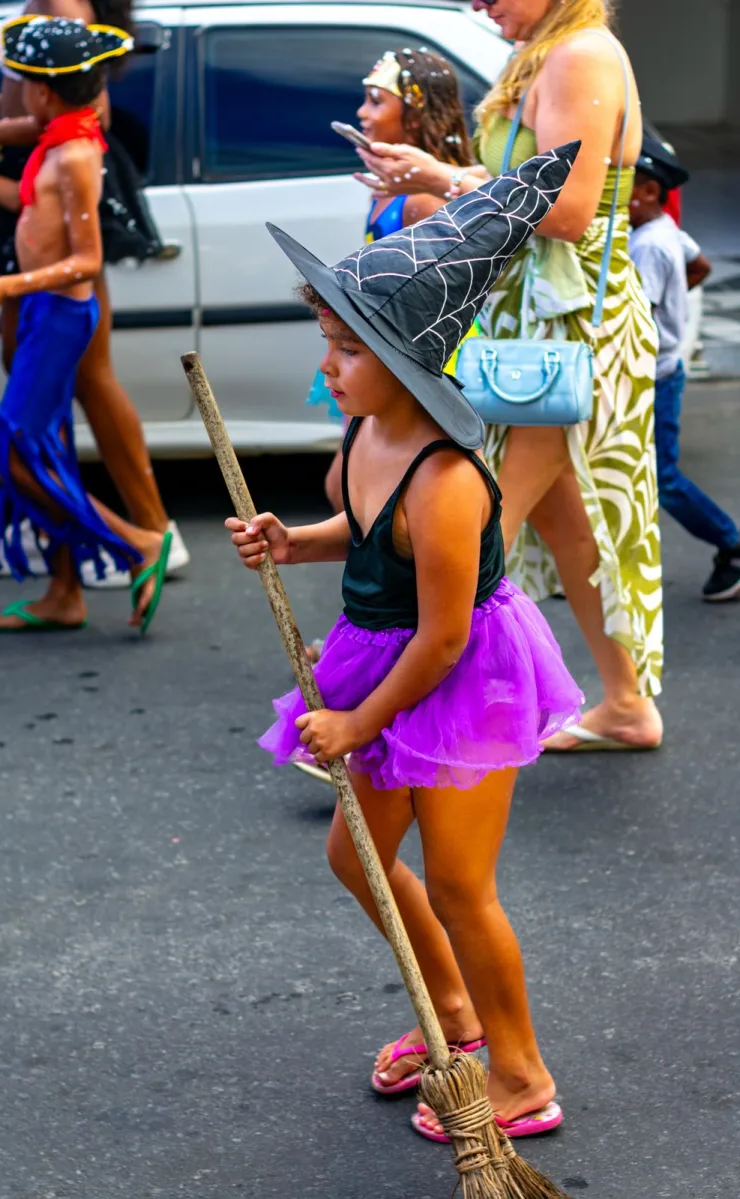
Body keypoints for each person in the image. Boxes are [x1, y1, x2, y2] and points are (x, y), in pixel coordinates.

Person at [228, 145, 583, 1139]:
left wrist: (354, 720)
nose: (324, 366)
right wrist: (292, 540)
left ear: (404, 360)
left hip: (456, 669)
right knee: (361, 859)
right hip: (386, 657)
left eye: (343, 351)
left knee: (463, 884)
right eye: (326, 342)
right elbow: (361, 529)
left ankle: (519, 1072)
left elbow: (442, 632)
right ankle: (453, 1016)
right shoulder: (365, 437)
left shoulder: (444, 476)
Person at [353, 0, 665, 753]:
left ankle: (403, 720)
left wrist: (443, 179)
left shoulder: (578, 55)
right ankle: (625, 705)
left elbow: (567, 207)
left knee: (472, 524)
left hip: (566, 332)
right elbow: (525, 184)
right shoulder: (553, 49)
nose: (479, 4)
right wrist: (438, 173)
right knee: (563, 521)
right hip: (538, 328)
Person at [0, 0, 189, 589]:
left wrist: (2, 286)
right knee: (31, 443)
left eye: (24, 84)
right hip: (43, 301)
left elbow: (86, 257)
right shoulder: (55, 142)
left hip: (56, 307)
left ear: (44, 93)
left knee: (27, 448)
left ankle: (139, 541)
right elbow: (29, 200)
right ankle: (65, 577)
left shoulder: (72, 147)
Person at [308, 47, 476, 517]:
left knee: (361, 490)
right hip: (376, 356)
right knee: (349, 486)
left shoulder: (422, 201)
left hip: (408, 367)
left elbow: (448, 289)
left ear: (416, 117)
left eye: (376, 101)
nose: (362, 112)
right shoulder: (392, 191)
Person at [629, 137, 740, 602]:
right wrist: (677, 305)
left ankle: (731, 545)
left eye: (623, 186)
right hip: (665, 368)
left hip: (653, 376)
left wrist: (663, 318)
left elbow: (635, 316)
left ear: (651, 190)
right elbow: (702, 265)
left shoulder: (648, 247)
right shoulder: (668, 232)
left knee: (664, 480)